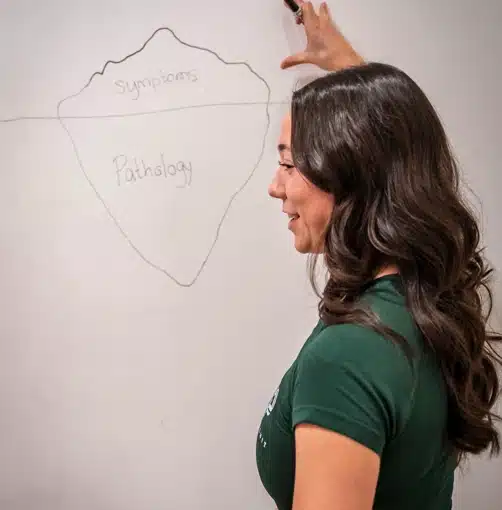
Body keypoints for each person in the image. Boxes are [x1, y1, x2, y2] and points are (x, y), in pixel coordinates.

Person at [255, 2, 502, 510]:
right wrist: (345, 64)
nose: (275, 187)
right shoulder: (425, 292)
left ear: (347, 176)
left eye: (289, 164)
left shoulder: (347, 359)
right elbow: (397, 154)